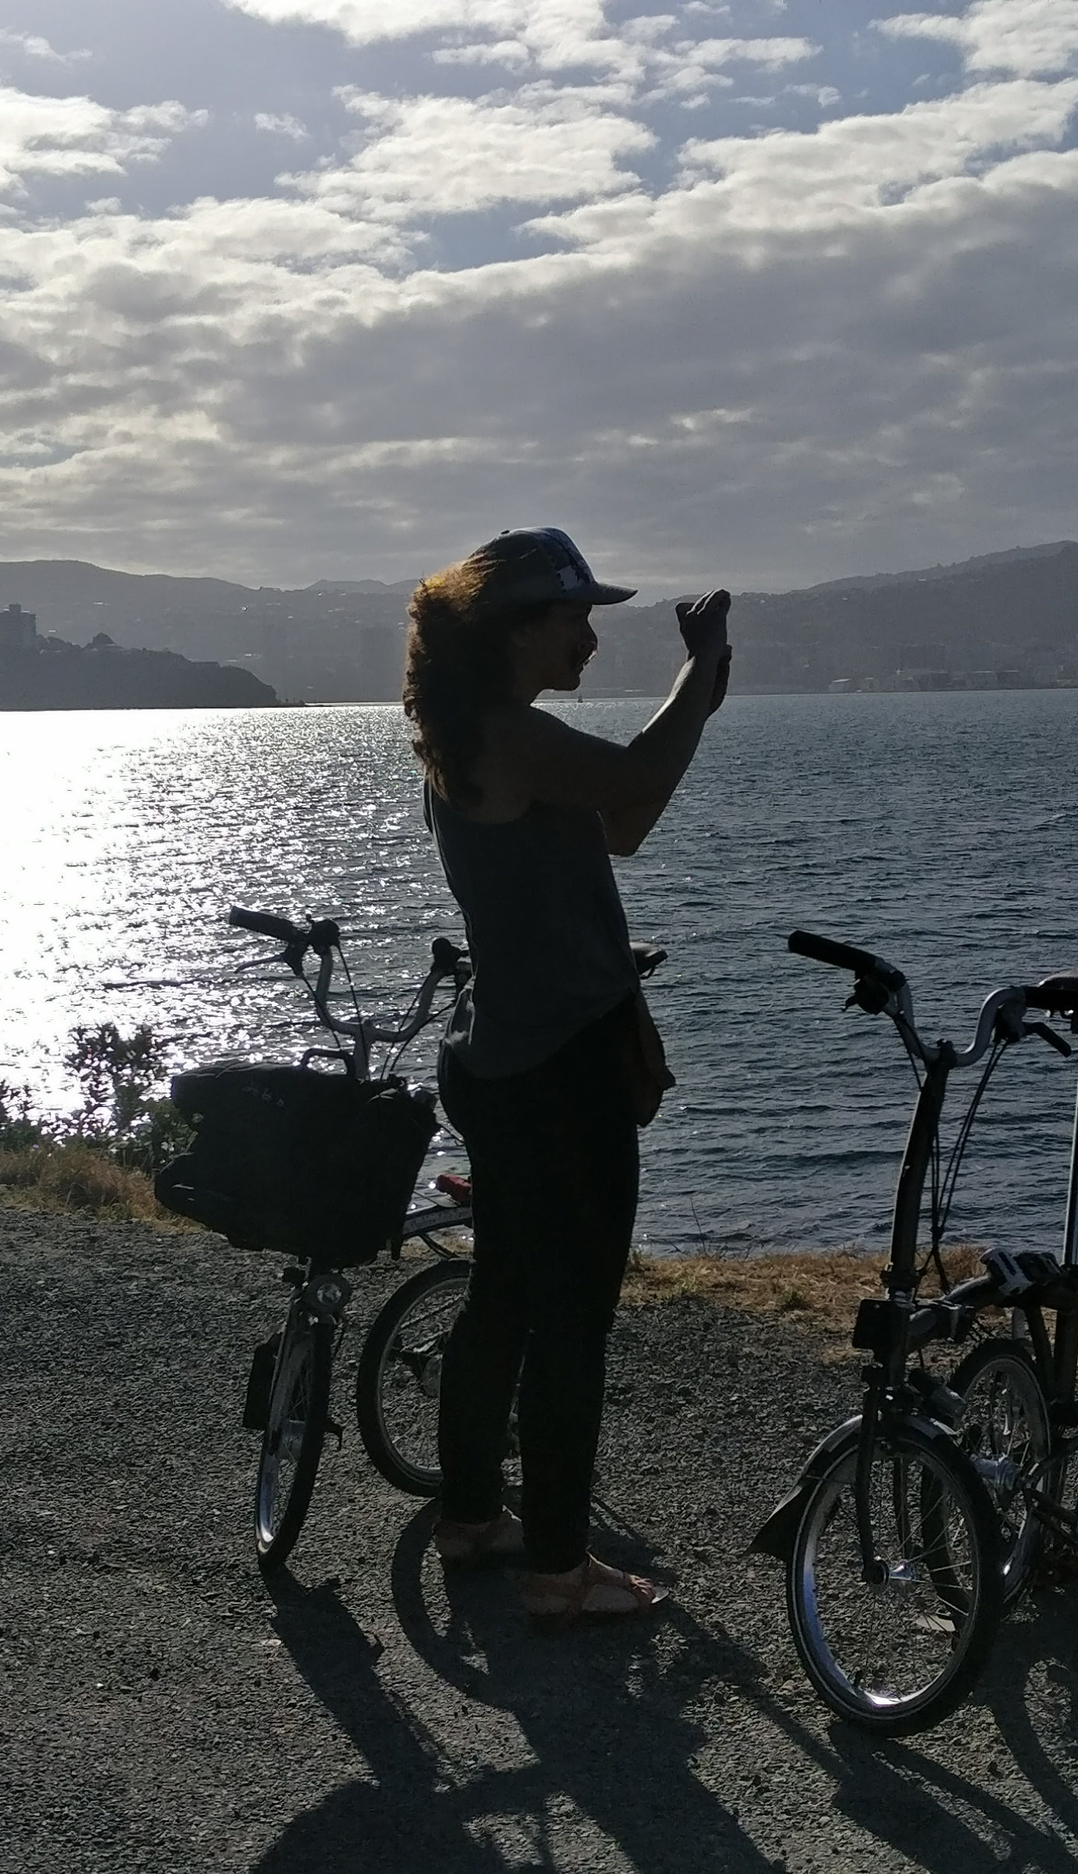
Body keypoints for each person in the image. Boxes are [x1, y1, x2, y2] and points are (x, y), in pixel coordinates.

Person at [402, 526, 730, 1623]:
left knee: (503, 1294)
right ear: (515, 628)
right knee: (571, 1317)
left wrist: (696, 700)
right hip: (559, 1069)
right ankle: (556, 1567)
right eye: (574, 615)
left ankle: (468, 1517)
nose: (590, 634)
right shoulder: (511, 733)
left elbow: (624, 819)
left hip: (501, 1053)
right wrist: (699, 674)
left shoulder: (478, 734)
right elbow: (637, 774)